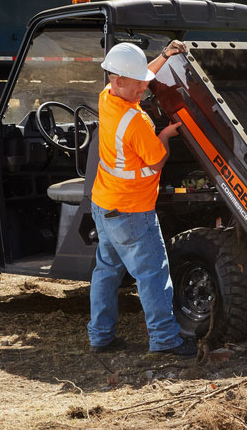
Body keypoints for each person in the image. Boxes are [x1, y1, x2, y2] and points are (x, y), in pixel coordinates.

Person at [88, 39, 197, 357]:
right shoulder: (134, 122)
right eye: (139, 85)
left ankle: (100, 336)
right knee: (152, 274)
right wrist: (164, 135)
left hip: (104, 204)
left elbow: (137, 74)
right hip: (132, 211)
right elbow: (157, 160)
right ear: (119, 81)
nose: (144, 89)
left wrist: (163, 56)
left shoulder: (107, 96)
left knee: (106, 271)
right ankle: (165, 339)